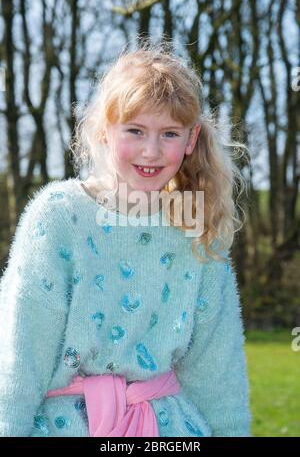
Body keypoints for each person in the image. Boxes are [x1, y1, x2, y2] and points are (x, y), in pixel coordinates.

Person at [0, 38, 251, 437]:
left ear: (191, 140)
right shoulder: (59, 217)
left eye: (169, 133)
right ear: (104, 132)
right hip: (68, 426)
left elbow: (217, 370)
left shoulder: (197, 230)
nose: (151, 151)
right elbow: (20, 355)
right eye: (135, 130)